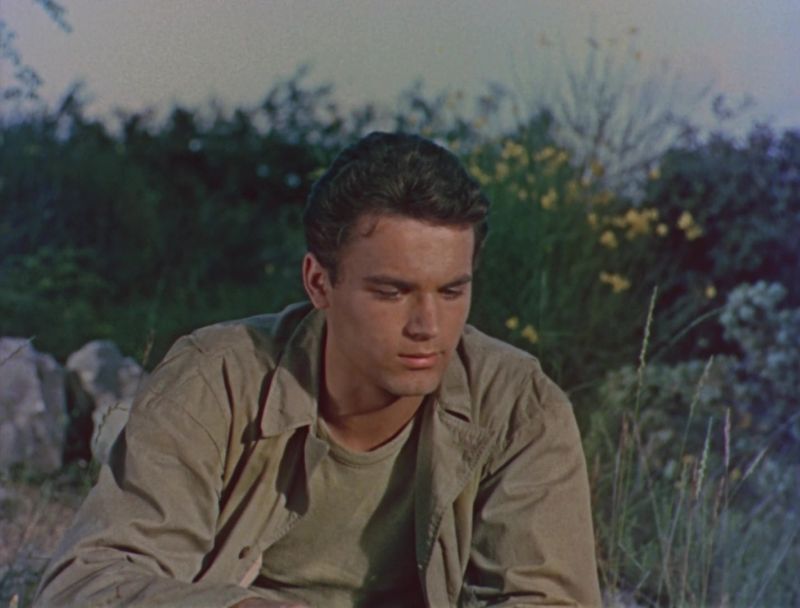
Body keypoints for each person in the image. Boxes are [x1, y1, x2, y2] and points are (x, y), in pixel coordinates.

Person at [35, 132, 601, 607]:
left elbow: (549, 600)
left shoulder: (518, 406)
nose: (428, 325)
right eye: (392, 292)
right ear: (318, 283)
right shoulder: (217, 380)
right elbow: (86, 584)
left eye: (452, 291)